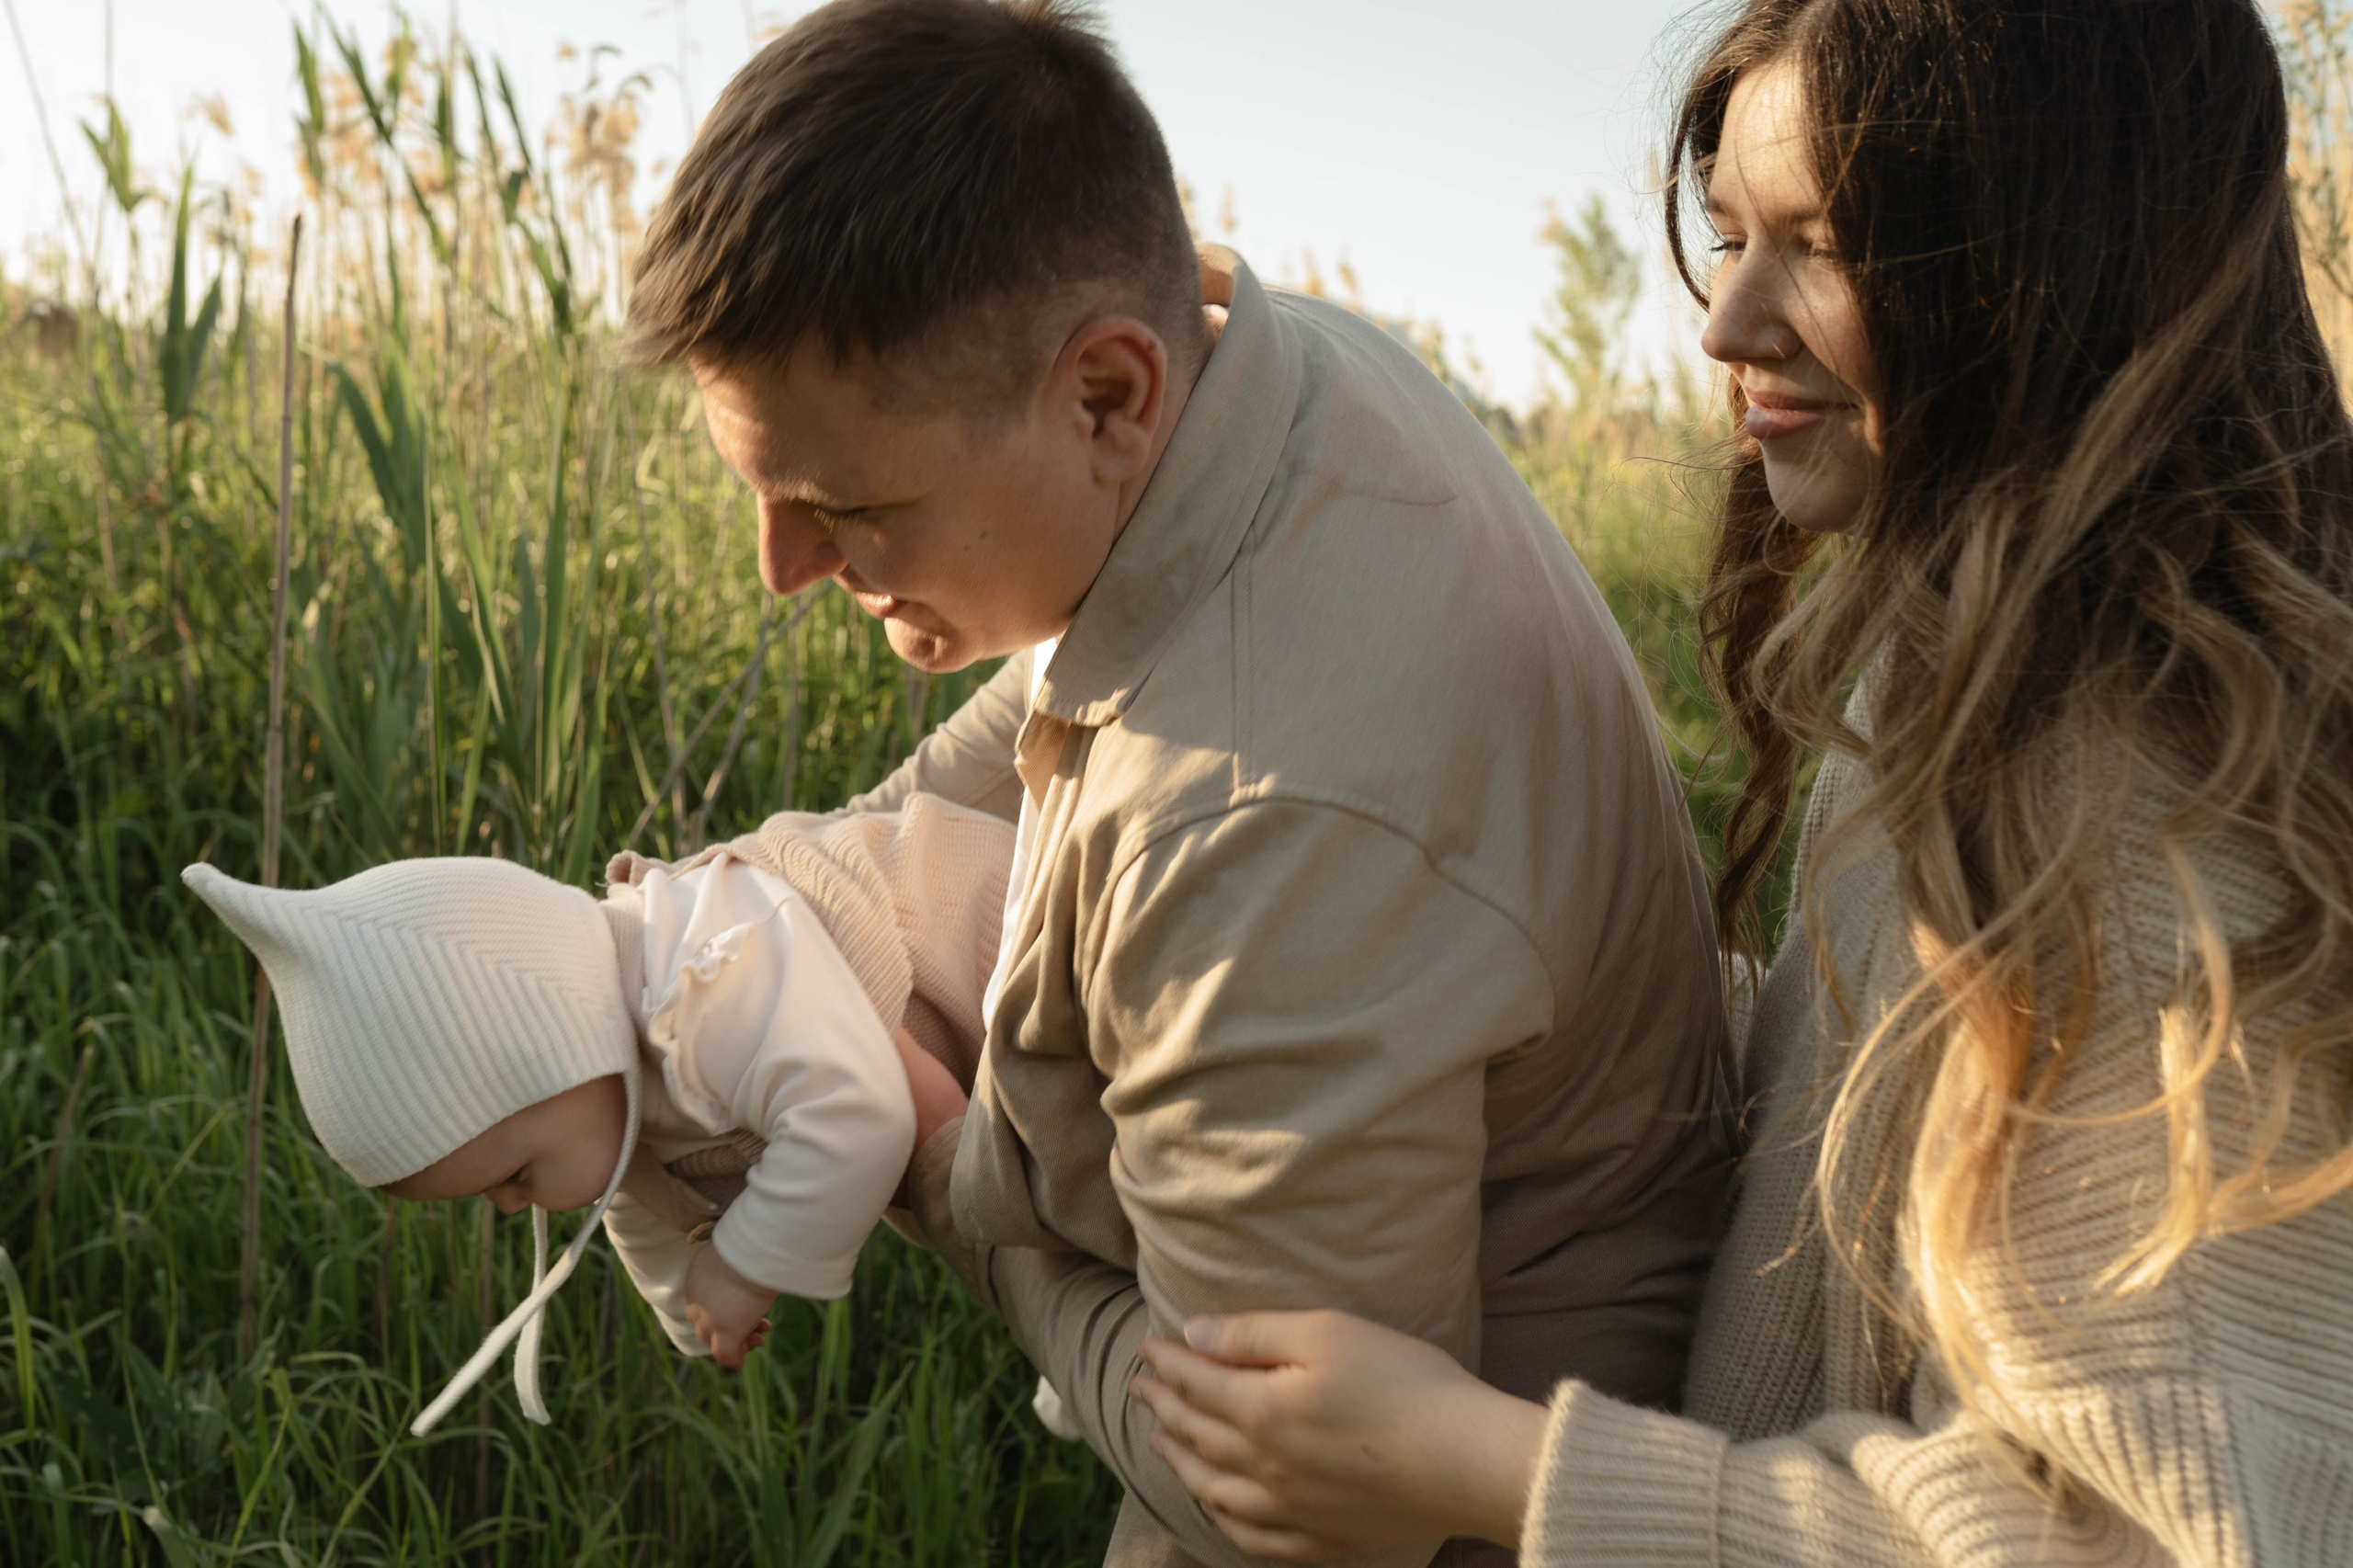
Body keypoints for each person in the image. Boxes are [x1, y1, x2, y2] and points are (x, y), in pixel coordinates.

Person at [1122, 0, 2353, 1562]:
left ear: (2052, 270)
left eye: (1825, 246)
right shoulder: (1960, 670)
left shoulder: (2142, 832)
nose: (1726, 323)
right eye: (1729, 236)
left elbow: (2154, 1533)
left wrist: (1480, 1463)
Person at [621, 1, 1737, 1562]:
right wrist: (691, 931)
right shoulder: (1275, 382)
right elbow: (991, 759)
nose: (784, 569)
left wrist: (936, 1172)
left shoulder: (1265, 825)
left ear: (1106, 396)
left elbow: (1266, 1501)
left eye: (847, 504)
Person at [179, 793, 1010, 1434]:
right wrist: (690, 1305)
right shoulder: (607, 1097)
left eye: (511, 1175)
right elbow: (637, 1211)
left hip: (1022, 950)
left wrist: (747, 1264)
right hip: (994, 1073)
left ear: (555, 1052)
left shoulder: (707, 980)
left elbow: (860, 1114)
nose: (510, 1206)